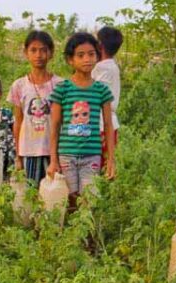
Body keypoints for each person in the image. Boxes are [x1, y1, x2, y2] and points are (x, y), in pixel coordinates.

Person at [47, 32, 115, 206]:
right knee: (69, 198)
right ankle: (70, 233)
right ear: (71, 60)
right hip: (66, 155)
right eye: (81, 55)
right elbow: (54, 126)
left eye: (91, 54)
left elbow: (108, 126)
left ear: (97, 56)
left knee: (89, 200)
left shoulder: (102, 90)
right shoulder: (62, 90)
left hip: (92, 155)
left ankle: (87, 234)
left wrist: (110, 160)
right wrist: (53, 160)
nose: (87, 59)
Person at [9, 31, 63, 185]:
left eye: (43, 50)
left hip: (55, 150)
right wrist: (18, 156)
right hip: (29, 150)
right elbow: (18, 122)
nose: (38, 55)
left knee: (55, 195)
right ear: (26, 53)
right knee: (30, 194)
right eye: (33, 50)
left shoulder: (60, 85)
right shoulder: (19, 85)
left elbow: (62, 121)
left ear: (51, 53)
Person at [93, 26, 123, 155]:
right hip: (108, 122)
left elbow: (95, 96)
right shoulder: (112, 66)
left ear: (100, 45)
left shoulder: (102, 68)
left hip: (100, 124)